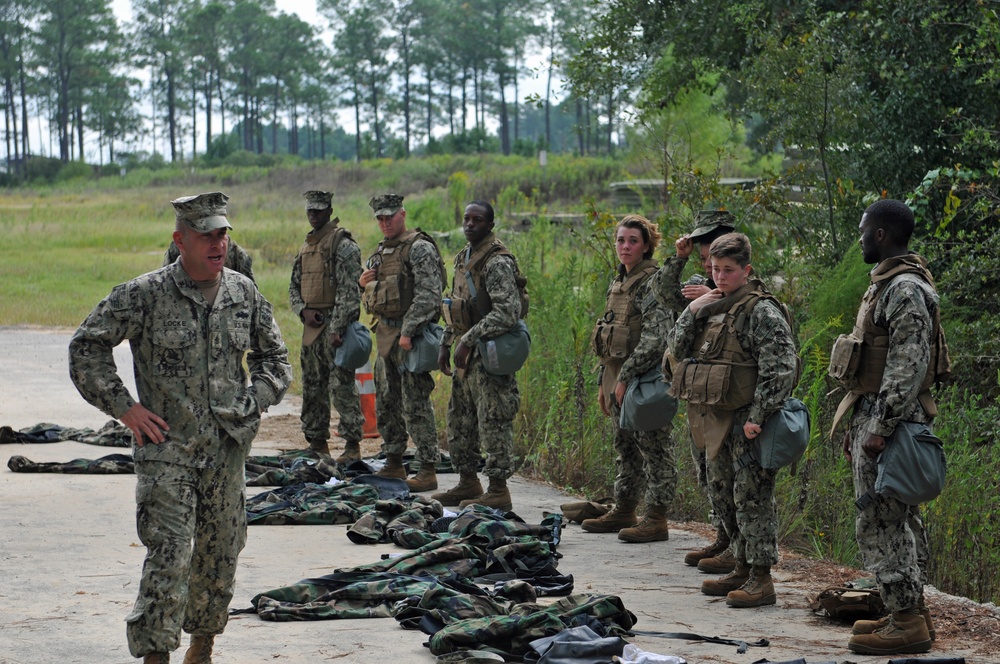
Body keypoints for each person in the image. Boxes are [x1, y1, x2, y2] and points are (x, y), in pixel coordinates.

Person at [68, 191, 293, 664]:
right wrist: (125, 407)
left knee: (219, 555)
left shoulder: (242, 292)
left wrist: (255, 401)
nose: (218, 244)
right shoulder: (144, 294)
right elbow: (86, 347)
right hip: (168, 449)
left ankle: (202, 648)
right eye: (207, 235)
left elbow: (276, 359)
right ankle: (156, 655)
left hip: (227, 450)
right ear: (180, 240)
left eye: (223, 234)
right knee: (169, 554)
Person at [830, 199, 944, 655]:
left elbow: (907, 364)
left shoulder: (904, 288)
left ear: (881, 234)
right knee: (897, 518)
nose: (859, 237)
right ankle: (912, 614)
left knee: (881, 521)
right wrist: (860, 427)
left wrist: (878, 427)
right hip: (876, 415)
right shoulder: (888, 284)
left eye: (863, 230)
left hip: (891, 421)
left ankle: (906, 621)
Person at [666, 232, 797, 608]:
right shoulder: (712, 304)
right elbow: (675, 348)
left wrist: (759, 416)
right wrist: (694, 310)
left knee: (752, 498)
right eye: (715, 269)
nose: (720, 277)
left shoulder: (761, 311)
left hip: (747, 421)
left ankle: (761, 577)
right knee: (723, 494)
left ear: (746, 270)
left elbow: (781, 368)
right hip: (715, 417)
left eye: (728, 270)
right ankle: (740, 564)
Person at [581, 214, 679, 542]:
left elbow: (656, 337)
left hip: (645, 378)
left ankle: (656, 517)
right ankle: (624, 508)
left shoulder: (651, 281)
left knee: (654, 448)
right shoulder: (619, 281)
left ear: (647, 245)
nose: (625, 247)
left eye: (633, 241)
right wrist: (604, 383)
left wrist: (625, 377)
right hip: (618, 376)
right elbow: (609, 337)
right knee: (625, 446)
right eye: (621, 240)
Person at [431, 201, 527, 512]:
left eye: (478, 220)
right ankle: (467, 481)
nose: (470, 224)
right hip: (466, 357)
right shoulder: (464, 256)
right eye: (467, 219)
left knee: (494, 422)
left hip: (489, 356)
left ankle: (498, 490)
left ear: (490, 224)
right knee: (460, 421)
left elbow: (507, 312)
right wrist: (447, 341)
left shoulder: (496, 262)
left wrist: (469, 339)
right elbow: (457, 305)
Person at [655, 210, 737, 569]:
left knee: (735, 477)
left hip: (729, 396)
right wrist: (680, 259)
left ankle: (740, 548)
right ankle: (722, 535)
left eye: (712, 259)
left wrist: (714, 296)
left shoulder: (742, 281)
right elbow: (661, 293)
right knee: (708, 473)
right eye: (704, 260)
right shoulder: (697, 279)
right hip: (700, 393)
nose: (709, 267)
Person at [360, 193, 446, 491]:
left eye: (389, 216)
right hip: (386, 336)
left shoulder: (419, 249)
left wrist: (409, 330)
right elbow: (376, 299)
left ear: (403, 214)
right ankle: (394, 461)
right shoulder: (381, 251)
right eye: (380, 218)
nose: (384, 223)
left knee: (416, 404)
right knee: (386, 402)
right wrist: (365, 285)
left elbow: (430, 295)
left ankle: (427, 468)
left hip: (412, 338)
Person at [288, 190, 364, 460]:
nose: (313, 215)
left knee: (341, 387)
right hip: (312, 328)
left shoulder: (342, 245)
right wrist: (302, 310)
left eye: (319, 211)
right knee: (312, 387)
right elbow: (294, 287)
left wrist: (337, 327)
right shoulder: (307, 245)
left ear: (329, 211)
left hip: (335, 329)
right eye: (310, 210)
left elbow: (350, 293)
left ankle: (352, 446)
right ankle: (317, 443)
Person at [164, 235, 256, 283]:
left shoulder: (236, 253)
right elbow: (166, 283)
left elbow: (252, 297)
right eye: (205, 236)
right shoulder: (178, 247)